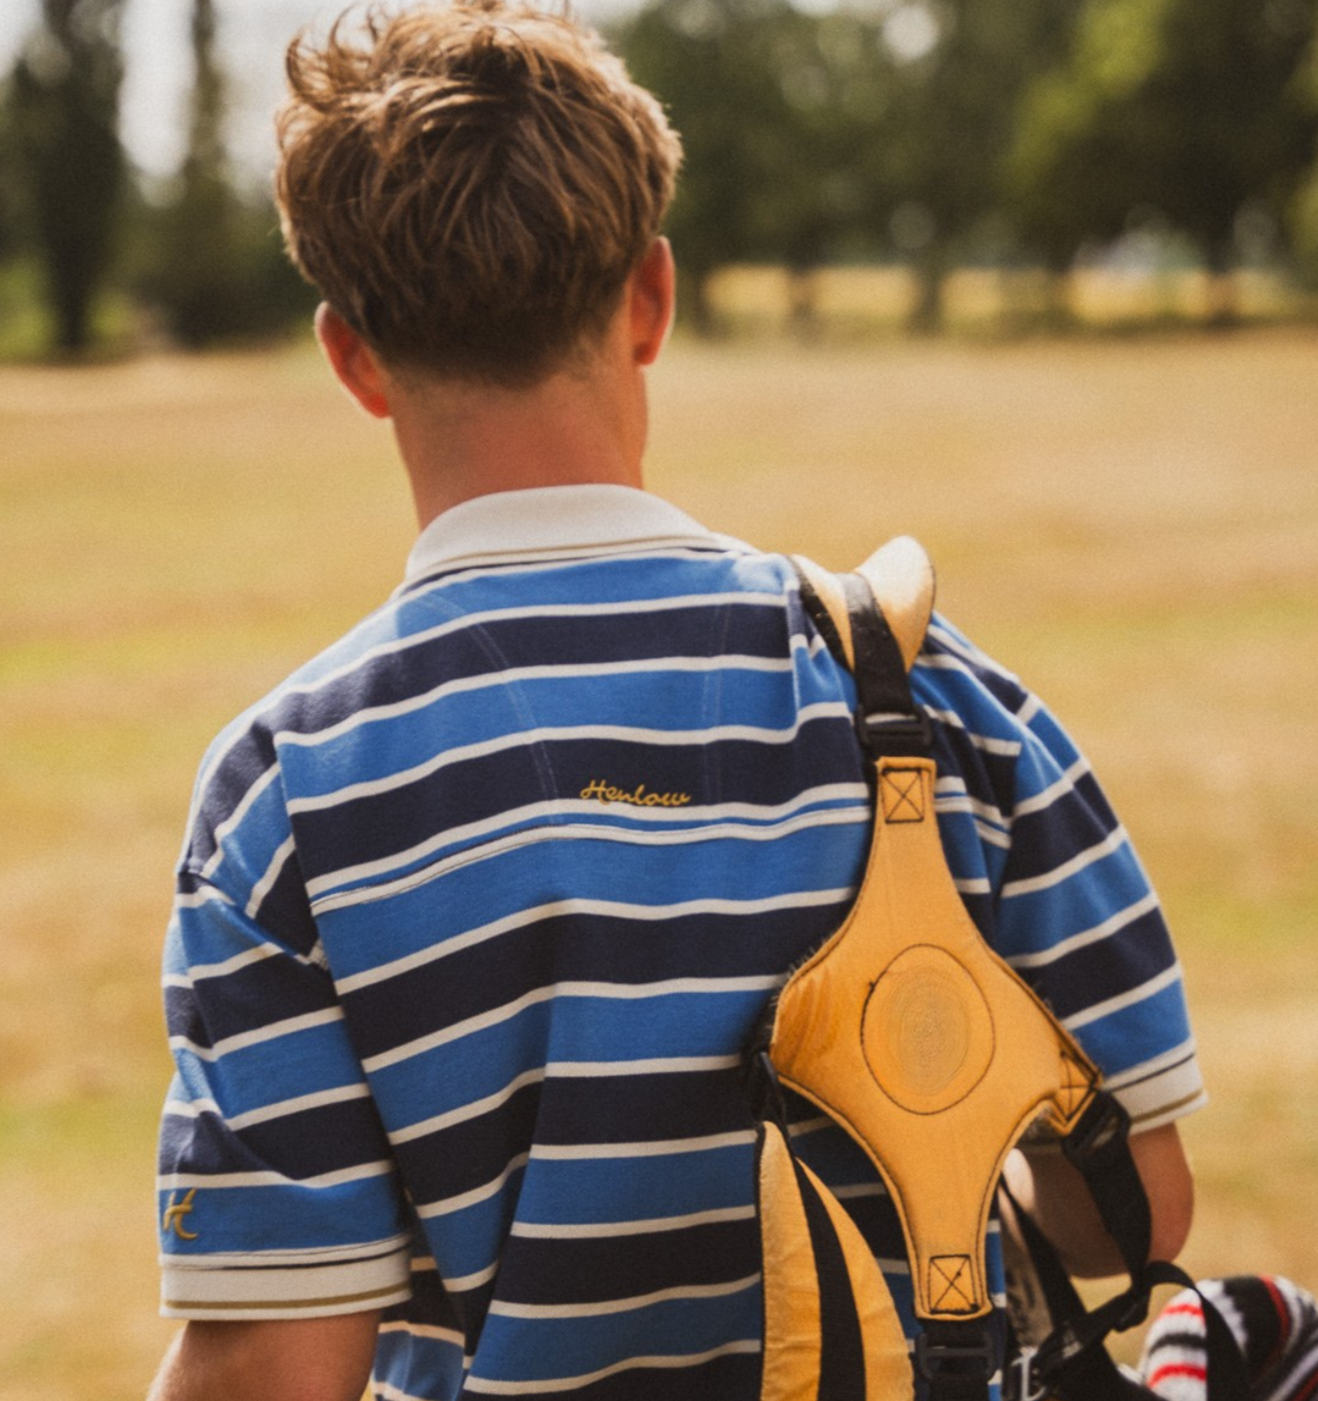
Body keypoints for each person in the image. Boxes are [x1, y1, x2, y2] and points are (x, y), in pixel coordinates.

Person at [146, 3, 1203, 1398]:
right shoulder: (940, 691)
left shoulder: (290, 792)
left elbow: (277, 1366)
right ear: (651, 296)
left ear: (351, 356)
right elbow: (1133, 1211)